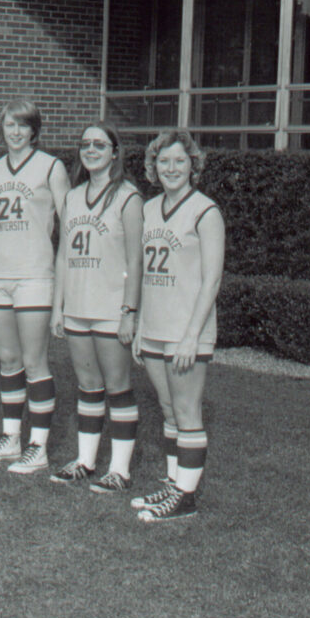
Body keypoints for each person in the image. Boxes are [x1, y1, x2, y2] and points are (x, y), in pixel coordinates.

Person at [131, 130, 224, 522]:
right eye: (163, 161)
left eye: (179, 161)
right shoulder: (149, 208)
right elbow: (142, 272)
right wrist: (139, 325)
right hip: (154, 326)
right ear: (153, 166)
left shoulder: (206, 211)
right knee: (169, 410)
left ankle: (186, 498)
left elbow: (212, 280)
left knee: (186, 412)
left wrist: (192, 336)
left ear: (192, 166)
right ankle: (174, 484)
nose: (171, 168)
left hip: (187, 330)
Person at [0, 100, 69, 473]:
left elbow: (69, 227)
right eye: (9, 125)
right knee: (8, 360)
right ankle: (11, 438)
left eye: (22, 125)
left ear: (34, 130)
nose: (15, 132)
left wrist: (63, 279)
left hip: (34, 275)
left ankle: (38, 446)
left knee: (33, 361)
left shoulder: (51, 167)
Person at [49, 123, 143, 492]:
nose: (91, 150)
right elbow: (62, 255)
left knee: (118, 387)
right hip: (78, 305)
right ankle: (85, 461)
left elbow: (135, 260)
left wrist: (129, 310)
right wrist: (58, 307)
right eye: (86, 144)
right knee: (87, 386)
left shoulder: (128, 197)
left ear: (115, 152)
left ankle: (120, 470)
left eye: (100, 145)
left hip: (110, 307)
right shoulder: (73, 197)